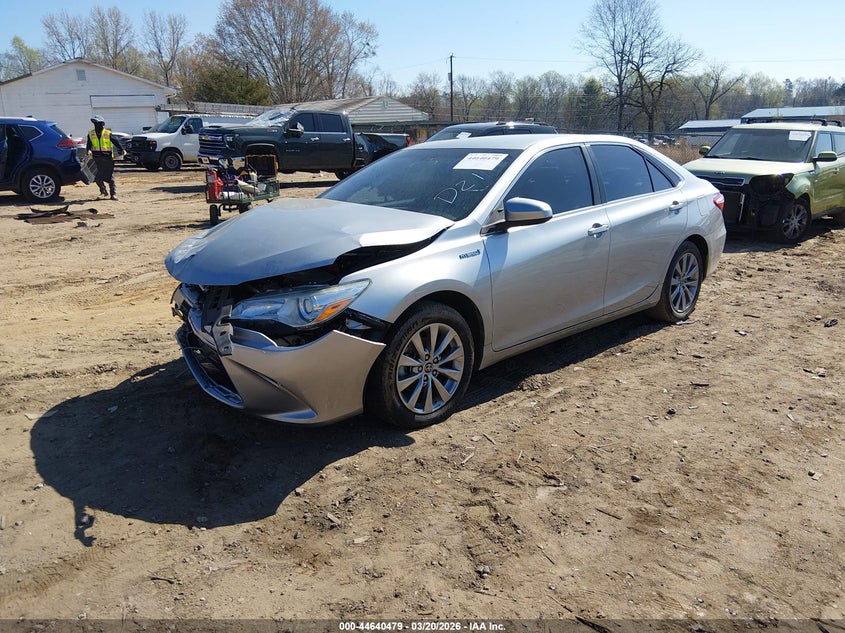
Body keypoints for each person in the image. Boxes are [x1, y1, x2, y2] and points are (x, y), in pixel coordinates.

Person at [86, 115, 124, 200]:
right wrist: (88, 150)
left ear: (102, 124)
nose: (96, 125)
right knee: (97, 177)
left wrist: (122, 149)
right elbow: (89, 144)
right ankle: (103, 192)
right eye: (94, 123)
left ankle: (113, 194)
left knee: (109, 176)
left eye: (97, 123)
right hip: (96, 158)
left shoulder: (107, 133)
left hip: (107, 158)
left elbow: (116, 141)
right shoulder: (91, 133)